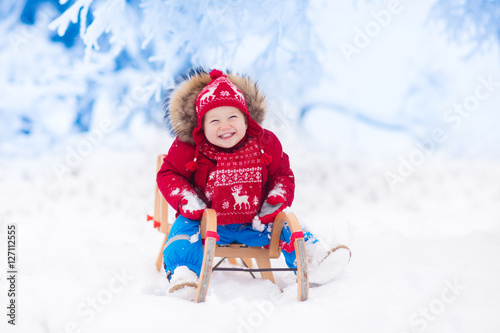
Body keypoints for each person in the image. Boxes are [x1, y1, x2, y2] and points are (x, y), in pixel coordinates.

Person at [157, 68, 350, 298]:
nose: (225, 125)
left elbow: (282, 172)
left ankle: (312, 257)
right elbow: (169, 173)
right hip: (208, 224)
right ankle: (184, 273)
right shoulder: (190, 148)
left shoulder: (264, 143)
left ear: (246, 119)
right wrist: (188, 200)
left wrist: (277, 197)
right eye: (215, 120)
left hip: (255, 222)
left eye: (232, 117)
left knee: (286, 222)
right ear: (201, 126)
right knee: (184, 227)